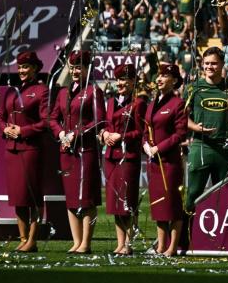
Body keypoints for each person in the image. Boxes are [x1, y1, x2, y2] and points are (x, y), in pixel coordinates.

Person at [50, 50, 105, 254]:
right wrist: (62, 132)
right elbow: (52, 118)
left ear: (86, 69)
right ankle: (76, 241)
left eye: (78, 67)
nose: (74, 71)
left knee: (87, 198)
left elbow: (99, 120)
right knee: (71, 198)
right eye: (72, 67)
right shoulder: (63, 93)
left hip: (86, 150)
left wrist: (76, 133)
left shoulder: (93, 91)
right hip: (66, 150)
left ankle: (86, 243)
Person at [0, 50, 48, 252]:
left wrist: (23, 131)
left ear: (35, 68)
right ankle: (23, 237)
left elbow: (46, 122)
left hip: (31, 149)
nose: (22, 70)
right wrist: (5, 128)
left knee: (32, 196)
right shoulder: (11, 91)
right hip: (12, 151)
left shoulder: (42, 91)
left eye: (26, 67)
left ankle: (32, 240)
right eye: (20, 67)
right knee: (18, 197)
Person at [185, 47, 228, 213]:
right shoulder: (193, 88)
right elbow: (181, 116)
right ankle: (188, 236)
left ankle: (222, 237)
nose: (209, 67)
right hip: (201, 146)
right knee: (193, 194)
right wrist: (195, 127)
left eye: (214, 63)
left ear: (223, 64)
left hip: (224, 148)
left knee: (224, 195)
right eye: (206, 63)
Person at [101, 64, 146, 255]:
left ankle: (128, 243)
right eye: (118, 79)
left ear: (133, 82)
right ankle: (120, 243)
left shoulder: (139, 103)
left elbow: (141, 131)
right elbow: (104, 124)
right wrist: (104, 134)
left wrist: (122, 136)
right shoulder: (111, 102)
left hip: (128, 157)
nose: (120, 83)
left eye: (124, 80)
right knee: (115, 203)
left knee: (128, 201)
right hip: (110, 156)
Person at [144, 64, 188, 257]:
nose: (159, 78)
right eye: (158, 75)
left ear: (174, 81)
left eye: (165, 75)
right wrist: (145, 145)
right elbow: (146, 129)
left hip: (170, 163)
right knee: (159, 205)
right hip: (153, 162)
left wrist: (158, 148)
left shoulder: (178, 103)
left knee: (173, 205)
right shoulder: (153, 103)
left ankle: (172, 247)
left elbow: (180, 133)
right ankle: (161, 246)